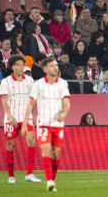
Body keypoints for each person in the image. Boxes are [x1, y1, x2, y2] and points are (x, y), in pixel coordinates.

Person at [22, 57, 70, 191]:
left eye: (56, 65)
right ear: (45, 69)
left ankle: (52, 181)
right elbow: (31, 103)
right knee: (46, 150)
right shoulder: (38, 85)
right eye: (52, 66)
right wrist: (25, 123)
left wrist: (64, 114)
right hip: (43, 124)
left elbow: (66, 103)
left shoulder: (63, 83)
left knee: (56, 154)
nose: (56, 67)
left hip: (58, 125)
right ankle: (49, 180)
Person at [0, 55, 41, 184]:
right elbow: (4, 101)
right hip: (11, 119)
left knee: (32, 141)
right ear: (12, 67)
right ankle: (11, 176)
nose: (20, 67)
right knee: (10, 145)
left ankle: (29, 174)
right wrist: (10, 116)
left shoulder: (29, 81)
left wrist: (34, 115)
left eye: (22, 65)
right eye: (17, 65)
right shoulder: (5, 82)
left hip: (26, 118)